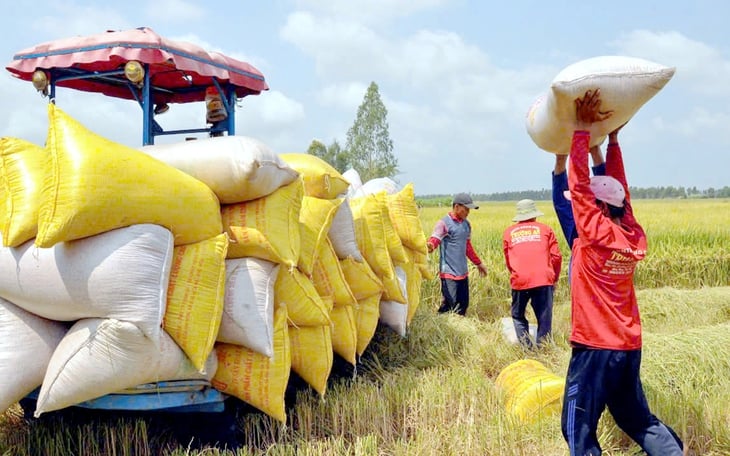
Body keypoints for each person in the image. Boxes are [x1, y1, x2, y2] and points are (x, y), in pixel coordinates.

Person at [561, 88, 685, 456]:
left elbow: (580, 188)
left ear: (599, 207)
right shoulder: (631, 234)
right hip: (628, 347)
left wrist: (583, 132)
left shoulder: (595, 234)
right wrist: (611, 142)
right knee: (637, 419)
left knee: (577, 428)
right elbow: (621, 193)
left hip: (595, 349)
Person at [502, 199, 562, 348]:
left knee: (518, 316)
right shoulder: (546, 229)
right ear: (534, 215)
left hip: (520, 280)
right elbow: (557, 257)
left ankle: (526, 349)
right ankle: (543, 348)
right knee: (544, 318)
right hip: (543, 279)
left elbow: (508, 260)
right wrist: (554, 278)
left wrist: (516, 274)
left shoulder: (509, 232)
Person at [427, 193, 488, 316]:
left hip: (462, 272)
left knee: (463, 304)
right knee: (450, 304)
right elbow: (435, 239)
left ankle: (460, 330)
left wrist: (479, 264)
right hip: (448, 272)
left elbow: (468, 247)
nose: (467, 212)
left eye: (469, 209)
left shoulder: (466, 225)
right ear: (456, 206)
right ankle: (441, 326)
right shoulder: (444, 223)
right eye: (465, 209)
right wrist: (429, 246)